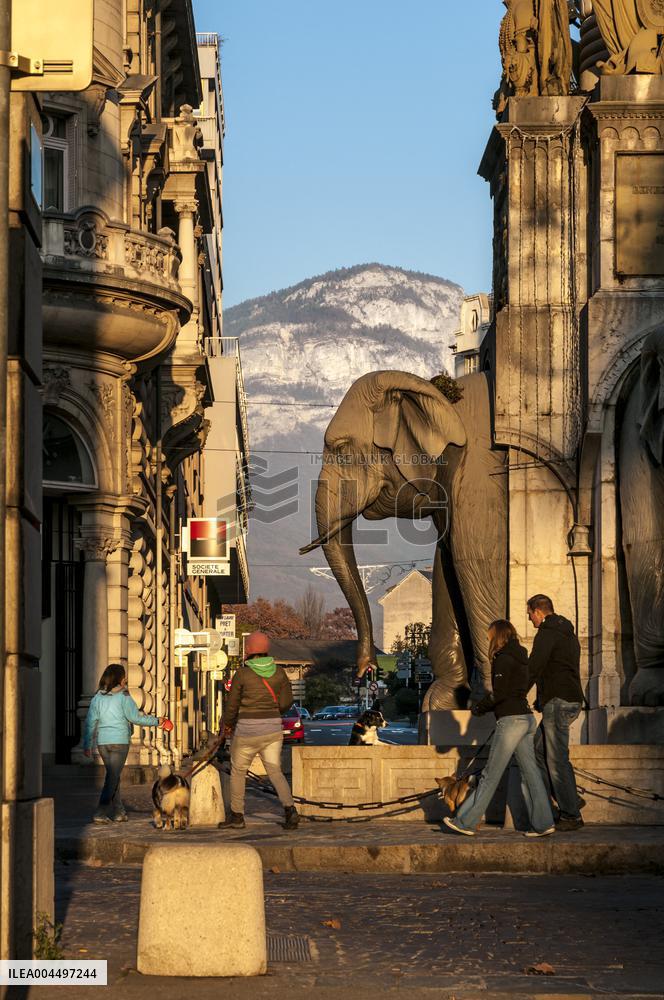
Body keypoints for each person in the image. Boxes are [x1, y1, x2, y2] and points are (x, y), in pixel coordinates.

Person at [444, 620, 555, 838]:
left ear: (498, 636)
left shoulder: (503, 658)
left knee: (489, 775)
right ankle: (543, 823)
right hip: (525, 719)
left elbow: (500, 693)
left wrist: (479, 707)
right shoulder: (522, 657)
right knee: (531, 773)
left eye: (489, 635)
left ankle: (465, 821)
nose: (487, 639)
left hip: (511, 720)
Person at [221, 630, 299, 831]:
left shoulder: (242, 674)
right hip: (273, 730)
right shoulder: (279, 673)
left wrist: (227, 724)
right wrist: (274, 712)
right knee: (274, 771)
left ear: (248, 650)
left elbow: (232, 704)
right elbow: (287, 702)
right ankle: (290, 811)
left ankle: (237, 816)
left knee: (238, 771)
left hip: (247, 731)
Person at [526, 594, 585, 831]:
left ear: (539, 612)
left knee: (555, 757)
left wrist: (516, 692)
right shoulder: (567, 633)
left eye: (529, 614)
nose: (529, 619)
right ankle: (570, 798)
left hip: (558, 702)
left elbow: (534, 666)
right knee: (537, 750)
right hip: (570, 699)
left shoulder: (547, 633)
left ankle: (571, 815)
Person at [82, 663, 166, 823]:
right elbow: (135, 718)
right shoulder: (124, 697)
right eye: (124, 677)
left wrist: (87, 744)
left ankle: (119, 811)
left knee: (114, 776)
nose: (125, 680)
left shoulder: (97, 697)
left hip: (103, 743)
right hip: (119, 742)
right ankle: (100, 811)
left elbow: (90, 722)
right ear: (119, 679)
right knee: (112, 778)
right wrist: (158, 721)